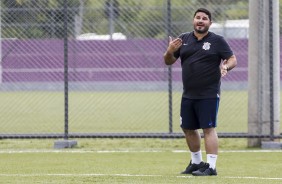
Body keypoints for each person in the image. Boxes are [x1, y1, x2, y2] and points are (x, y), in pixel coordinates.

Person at [163, 8, 237, 176]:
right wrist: (169, 50)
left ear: (210, 23)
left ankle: (211, 167)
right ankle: (196, 163)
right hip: (188, 94)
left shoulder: (217, 41)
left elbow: (233, 59)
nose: (201, 20)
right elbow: (168, 61)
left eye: (205, 18)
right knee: (188, 128)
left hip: (209, 94)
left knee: (208, 128)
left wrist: (225, 66)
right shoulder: (183, 39)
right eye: (198, 18)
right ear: (193, 20)